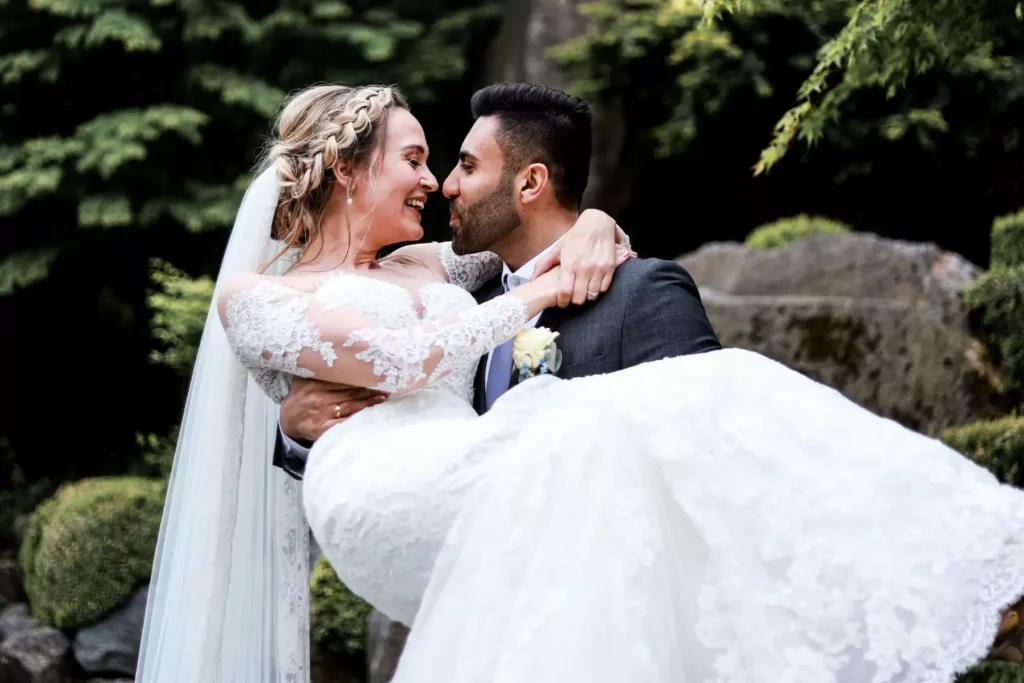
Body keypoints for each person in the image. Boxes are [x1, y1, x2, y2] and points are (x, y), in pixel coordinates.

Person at [145, 82, 1024, 683]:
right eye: (415, 158)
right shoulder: (257, 296)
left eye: (440, 161)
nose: (431, 179)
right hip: (381, 488)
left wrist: (595, 219)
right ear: (344, 167)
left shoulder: (430, 267)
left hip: (478, 463)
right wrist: (534, 294)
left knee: (699, 393)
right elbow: (403, 360)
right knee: (583, 426)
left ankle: (965, 547)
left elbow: (545, 224)